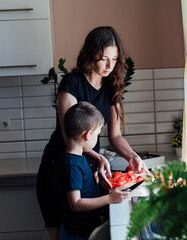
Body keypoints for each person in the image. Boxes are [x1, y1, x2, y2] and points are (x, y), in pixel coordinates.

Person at [36, 26, 149, 240]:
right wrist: (97, 157)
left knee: (84, 231)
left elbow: (115, 136)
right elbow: (71, 135)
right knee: (60, 233)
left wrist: (133, 157)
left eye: (114, 59)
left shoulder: (111, 86)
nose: (109, 65)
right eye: (103, 58)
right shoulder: (71, 84)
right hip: (58, 167)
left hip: (87, 169)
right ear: (90, 54)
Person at [59, 102, 128, 240]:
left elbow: (80, 186)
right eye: (97, 134)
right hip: (77, 233)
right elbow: (76, 204)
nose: (97, 138)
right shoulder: (72, 165)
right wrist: (109, 198)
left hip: (86, 227)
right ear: (87, 135)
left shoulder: (79, 157)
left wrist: (94, 179)